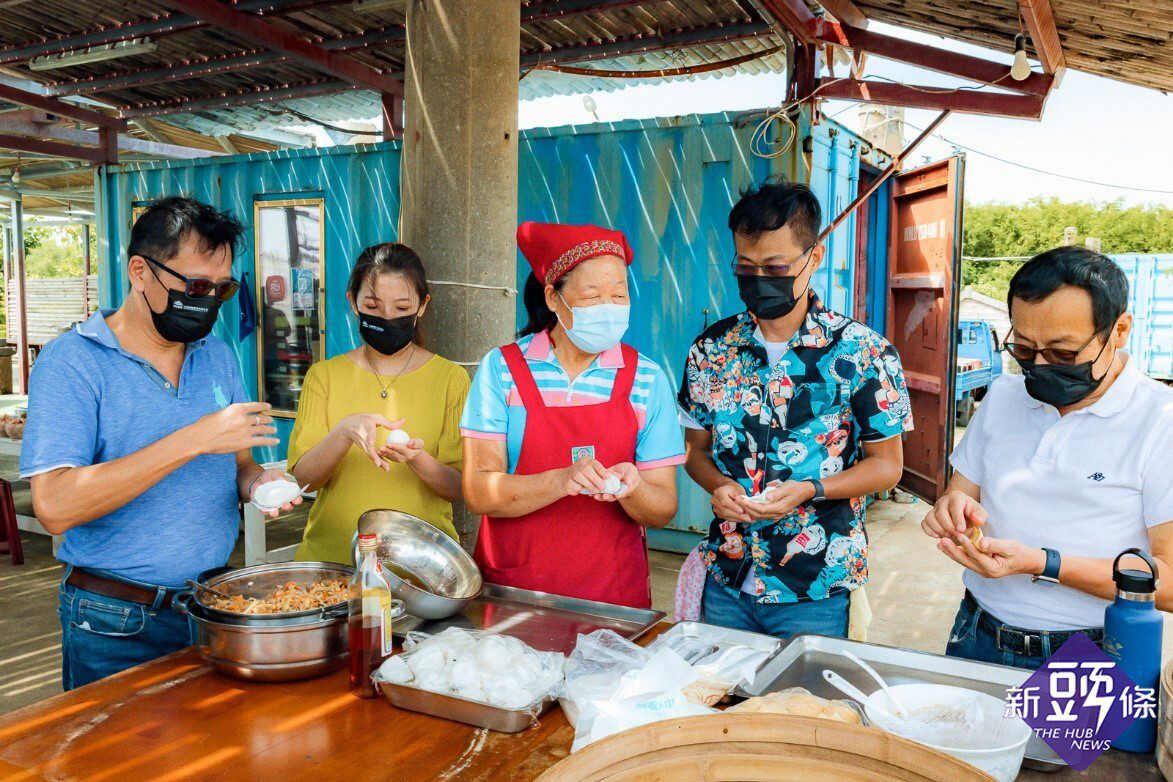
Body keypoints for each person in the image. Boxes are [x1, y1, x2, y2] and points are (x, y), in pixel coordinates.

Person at [21, 197, 298, 690]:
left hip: (212, 608)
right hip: (114, 620)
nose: (208, 301)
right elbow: (54, 505)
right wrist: (191, 439)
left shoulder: (216, 355)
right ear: (139, 272)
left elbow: (238, 464)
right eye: (194, 286)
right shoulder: (73, 363)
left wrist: (258, 483)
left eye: (221, 288)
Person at [678, 179, 911, 639]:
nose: (760, 279)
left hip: (816, 589)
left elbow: (887, 467)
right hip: (727, 579)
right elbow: (695, 453)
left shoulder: (865, 353)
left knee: (803, 710)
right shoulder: (710, 351)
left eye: (776, 265)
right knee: (722, 706)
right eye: (746, 267)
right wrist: (720, 487)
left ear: (814, 257)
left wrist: (810, 488)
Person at [923, 246, 1172, 669]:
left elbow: (1168, 582)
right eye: (1023, 349)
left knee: (1058, 742)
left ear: (1120, 330)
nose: (1038, 367)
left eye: (1063, 354)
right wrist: (952, 512)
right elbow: (960, 495)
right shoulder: (1003, 395)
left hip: (1087, 655)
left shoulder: (1159, 420)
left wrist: (1044, 564)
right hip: (978, 631)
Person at [461, 221, 686, 608]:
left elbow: (663, 508)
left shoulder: (646, 379)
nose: (609, 308)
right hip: (517, 589)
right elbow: (480, 492)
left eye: (619, 295)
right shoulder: (502, 369)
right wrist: (563, 480)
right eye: (592, 295)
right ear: (553, 297)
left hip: (612, 594)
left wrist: (633, 489)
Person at [288, 243, 469, 564]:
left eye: (401, 309)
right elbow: (303, 481)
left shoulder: (450, 378)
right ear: (353, 303)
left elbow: (458, 488)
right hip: (333, 562)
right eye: (373, 306)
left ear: (422, 305)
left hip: (421, 566)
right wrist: (343, 433)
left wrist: (417, 459)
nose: (387, 318)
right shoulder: (324, 376)